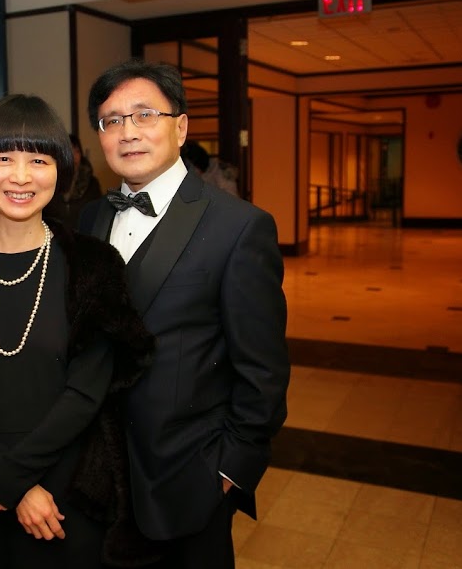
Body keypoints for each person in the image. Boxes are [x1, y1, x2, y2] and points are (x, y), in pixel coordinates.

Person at [0, 94, 154, 569]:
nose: (21, 176)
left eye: (38, 160)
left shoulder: (93, 266)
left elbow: (85, 394)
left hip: (68, 489)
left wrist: (12, 481)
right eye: (3, 158)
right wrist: (4, 479)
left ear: (61, 171)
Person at [79, 60, 289, 568]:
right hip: (95, 474)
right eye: (111, 121)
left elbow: (263, 370)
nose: (128, 132)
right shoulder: (88, 219)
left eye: (144, 115)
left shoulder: (239, 227)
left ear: (181, 126)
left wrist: (230, 470)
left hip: (187, 478)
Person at [44, 134, 102, 229]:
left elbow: (98, 214)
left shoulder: (92, 183)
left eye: (77, 151)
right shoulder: (50, 181)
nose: (74, 156)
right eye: (70, 152)